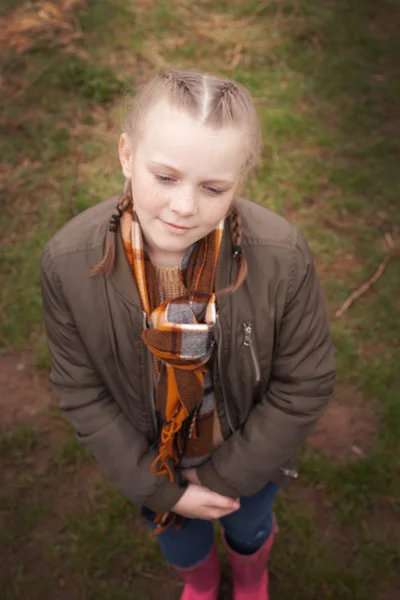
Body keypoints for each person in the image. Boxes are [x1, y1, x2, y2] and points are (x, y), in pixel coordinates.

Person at [40, 69, 335, 600]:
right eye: (166, 177)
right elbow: (81, 390)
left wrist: (224, 479)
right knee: (181, 544)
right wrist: (161, 491)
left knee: (248, 527)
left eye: (213, 188)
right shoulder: (67, 262)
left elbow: (305, 384)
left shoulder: (282, 256)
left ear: (239, 183)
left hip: (251, 455)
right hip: (151, 463)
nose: (183, 207)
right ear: (127, 156)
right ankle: (199, 584)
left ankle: (250, 575)